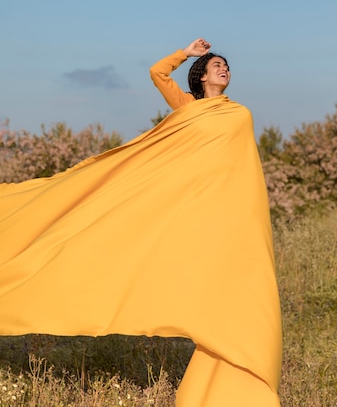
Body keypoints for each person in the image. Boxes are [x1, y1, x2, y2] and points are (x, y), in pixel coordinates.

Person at [0, 38, 282, 407]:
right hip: (189, 208)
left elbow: (239, 167)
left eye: (227, 66)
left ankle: (231, 382)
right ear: (201, 77)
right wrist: (187, 53)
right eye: (216, 66)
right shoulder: (188, 107)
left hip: (231, 215)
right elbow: (157, 73)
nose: (224, 69)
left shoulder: (237, 112)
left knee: (239, 290)